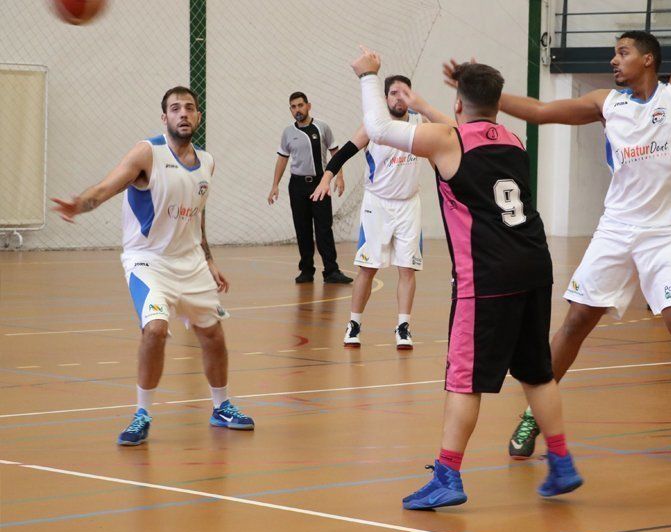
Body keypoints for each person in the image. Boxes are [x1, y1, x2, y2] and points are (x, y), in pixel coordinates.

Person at [469, 0, 671, 465]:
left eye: (622, 52)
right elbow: (538, 110)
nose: (613, 60)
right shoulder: (606, 103)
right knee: (576, 322)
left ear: (647, 58)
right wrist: (480, 92)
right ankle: (535, 412)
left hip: (666, 233)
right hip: (616, 230)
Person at [351, 47, 583, 510]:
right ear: (497, 102)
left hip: (487, 275)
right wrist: (426, 107)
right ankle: (561, 462)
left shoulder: (446, 140)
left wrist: (369, 77)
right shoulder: (513, 139)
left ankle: (448, 475)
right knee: (537, 373)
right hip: (535, 267)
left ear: (459, 102)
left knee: (463, 380)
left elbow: (378, 129)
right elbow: (461, 129)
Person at [50, 86, 254, 446]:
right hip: (148, 261)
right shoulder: (148, 152)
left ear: (198, 117)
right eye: (175, 108)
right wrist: (78, 204)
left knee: (213, 335)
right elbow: (106, 188)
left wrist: (208, 259)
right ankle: (141, 413)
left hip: (190, 262)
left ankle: (221, 406)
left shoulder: (207, 162)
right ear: (164, 118)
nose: (183, 114)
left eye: (190, 108)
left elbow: (196, 216)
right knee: (156, 330)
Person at [311, 76, 425, 349]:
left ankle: (403, 326)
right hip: (378, 204)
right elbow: (344, 153)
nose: (399, 97)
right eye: (394, 93)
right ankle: (354, 323)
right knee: (368, 268)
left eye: (404, 93)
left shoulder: (421, 123)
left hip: (409, 203)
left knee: (407, 268)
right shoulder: (374, 125)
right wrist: (327, 177)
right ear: (385, 98)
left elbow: (437, 155)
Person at [268, 92, 353, 284]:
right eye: (293, 107)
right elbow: (282, 158)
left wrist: (340, 177)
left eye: (300, 105)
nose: (297, 110)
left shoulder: (322, 128)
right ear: (290, 110)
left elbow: (336, 153)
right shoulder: (288, 133)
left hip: (319, 184)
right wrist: (275, 185)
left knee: (323, 229)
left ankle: (331, 271)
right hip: (297, 186)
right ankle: (306, 270)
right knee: (302, 228)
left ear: (308, 106)